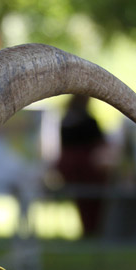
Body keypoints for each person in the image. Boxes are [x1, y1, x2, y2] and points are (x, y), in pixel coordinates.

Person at [56, 94, 108, 237]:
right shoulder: (86, 121)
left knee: (85, 200)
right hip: (87, 169)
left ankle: (90, 229)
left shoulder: (67, 120)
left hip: (77, 168)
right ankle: (91, 230)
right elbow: (99, 143)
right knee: (89, 199)